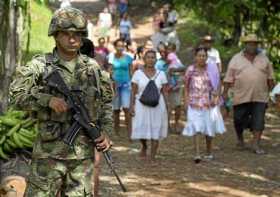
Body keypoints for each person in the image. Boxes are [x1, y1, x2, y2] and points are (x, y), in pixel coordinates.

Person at [10, 7, 112, 196]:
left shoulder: (93, 69)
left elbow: (106, 103)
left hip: (82, 158)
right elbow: (15, 95)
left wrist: (105, 131)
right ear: (55, 35)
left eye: (77, 34)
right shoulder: (40, 66)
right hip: (47, 156)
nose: (72, 39)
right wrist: (45, 100)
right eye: (66, 34)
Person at [223, 34, 274, 154]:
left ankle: (256, 144)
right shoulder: (236, 59)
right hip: (241, 96)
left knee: (259, 120)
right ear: (245, 45)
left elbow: (270, 77)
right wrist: (224, 93)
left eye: (255, 44)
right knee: (238, 119)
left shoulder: (264, 58)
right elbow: (228, 78)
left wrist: (273, 93)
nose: (252, 46)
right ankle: (240, 139)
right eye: (250, 43)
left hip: (260, 95)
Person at [183, 47, 225, 163]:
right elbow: (186, 87)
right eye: (199, 55)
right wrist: (186, 101)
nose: (202, 58)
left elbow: (217, 84)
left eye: (204, 56)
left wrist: (216, 96)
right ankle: (197, 154)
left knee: (208, 128)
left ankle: (209, 151)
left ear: (207, 57)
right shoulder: (190, 70)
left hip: (208, 103)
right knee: (197, 128)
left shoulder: (211, 69)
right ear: (195, 57)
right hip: (194, 103)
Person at [130, 50, 168, 162]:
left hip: (157, 105)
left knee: (155, 129)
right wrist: (131, 105)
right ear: (144, 59)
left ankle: (152, 156)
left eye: (153, 57)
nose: (151, 59)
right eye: (148, 57)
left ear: (156, 60)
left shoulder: (161, 74)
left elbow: (165, 91)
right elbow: (133, 91)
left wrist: (167, 105)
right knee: (141, 127)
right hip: (141, 105)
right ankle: (144, 145)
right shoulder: (138, 73)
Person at [108, 38, 133, 138]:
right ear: (115, 47)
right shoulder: (111, 57)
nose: (120, 48)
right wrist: (111, 82)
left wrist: (133, 84)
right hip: (115, 85)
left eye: (122, 46)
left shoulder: (128, 58)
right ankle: (116, 132)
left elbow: (131, 72)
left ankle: (130, 133)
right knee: (116, 110)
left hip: (126, 85)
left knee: (127, 109)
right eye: (118, 46)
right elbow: (109, 71)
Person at [166, 42, 185, 133]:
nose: (169, 51)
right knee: (172, 106)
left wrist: (173, 71)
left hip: (174, 84)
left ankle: (172, 125)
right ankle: (170, 125)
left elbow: (181, 68)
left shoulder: (172, 57)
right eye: (168, 49)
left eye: (170, 49)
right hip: (173, 84)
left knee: (175, 105)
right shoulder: (176, 59)